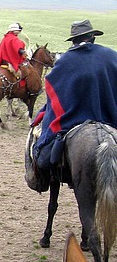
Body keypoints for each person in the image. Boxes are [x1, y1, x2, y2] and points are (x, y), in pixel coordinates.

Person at [31, 19, 117, 174]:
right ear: (93, 37)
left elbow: (52, 87)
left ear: (73, 40)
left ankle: (42, 174)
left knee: (43, 155)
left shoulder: (65, 61)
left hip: (74, 118)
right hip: (110, 117)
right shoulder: (112, 56)